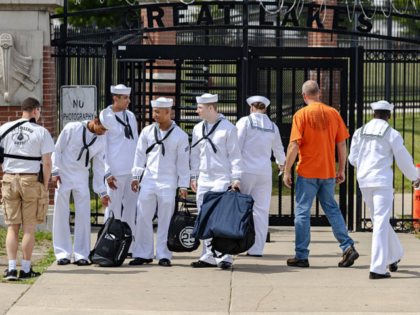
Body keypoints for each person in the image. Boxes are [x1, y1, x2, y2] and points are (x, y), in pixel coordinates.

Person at [283, 80, 358, 268]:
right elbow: (341, 143)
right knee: (332, 210)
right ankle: (348, 247)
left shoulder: (301, 114)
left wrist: (286, 170)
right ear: (319, 94)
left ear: (304, 95)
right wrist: (341, 169)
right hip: (327, 172)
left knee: (302, 213)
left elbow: (294, 145)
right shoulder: (333, 114)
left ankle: (301, 255)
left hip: (307, 171)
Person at [349, 100, 420, 279]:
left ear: (373, 114)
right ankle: (377, 268)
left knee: (378, 220)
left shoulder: (360, 131)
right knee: (380, 222)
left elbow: (352, 159)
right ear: (389, 115)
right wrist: (415, 178)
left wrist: (365, 166)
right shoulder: (392, 133)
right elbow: (404, 159)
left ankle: (395, 255)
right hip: (382, 182)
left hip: (364, 180)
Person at [130, 97, 189, 267]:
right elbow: (139, 155)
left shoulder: (180, 135)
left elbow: (183, 163)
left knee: (166, 219)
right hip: (148, 180)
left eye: (157, 112)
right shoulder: (147, 131)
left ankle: (164, 254)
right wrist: (136, 176)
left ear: (167, 112)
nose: (153, 115)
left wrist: (183, 185)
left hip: (168, 182)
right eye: (153, 111)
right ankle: (143, 253)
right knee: (142, 216)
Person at [1, 97, 55, 280]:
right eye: (39, 112)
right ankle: (25, 269)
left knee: (12, 227)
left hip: (9, 179)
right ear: (35, 110)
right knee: (29, 228)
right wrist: (45, 184)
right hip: (31, 181)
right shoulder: (41, 132)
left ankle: (10, 269)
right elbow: (47, 163)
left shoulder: (4, 128)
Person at [51, 111, 114, 266]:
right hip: (64, 175)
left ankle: (81, 255)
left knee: (84, 216)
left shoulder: (101, 141)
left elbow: (99, 167)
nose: (103, 132)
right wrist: (55, 171)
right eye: (102, 128)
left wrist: (102, 192)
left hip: (81, 177)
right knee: (60, 212)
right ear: (96, 121)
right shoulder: (72, 128)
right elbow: (57, 150)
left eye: (106, 130)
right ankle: (62, 253)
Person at [190, 93, 242, 270]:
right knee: (204, 217)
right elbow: (195, 155)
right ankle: (208, 255)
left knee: (221, 219)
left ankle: (224, 256)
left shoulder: (228, 128)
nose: (197, 111)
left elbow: (235, 156)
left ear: (210, 108)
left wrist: (236, 178)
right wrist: (193, 176)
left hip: (221, 178)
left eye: (200, 108)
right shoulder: (198, 128)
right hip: (204, 178)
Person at [236, 96, 286, 257]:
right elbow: (278, 148)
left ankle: (235, 243)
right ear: (265, 109)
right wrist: (282, 163)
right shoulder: (272, 126)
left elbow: (236, 145)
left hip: (245, 172)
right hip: (264, 173)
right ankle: (256, 249)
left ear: (251, 108)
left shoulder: (244, 122)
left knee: (239, 209)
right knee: (261, 211)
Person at [103, 84, 138, 247]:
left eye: (128, 97)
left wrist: (138, 171)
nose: (128, 101)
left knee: (131, 210)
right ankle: (110, 244)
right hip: (114, 172)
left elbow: (136, 143)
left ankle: (128, 246)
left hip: (131, 171)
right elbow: (102, 147)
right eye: (125, 98)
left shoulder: (130, 116)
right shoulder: (105, 115)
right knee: (112, 211)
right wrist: (106, 172)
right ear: (115, 98)